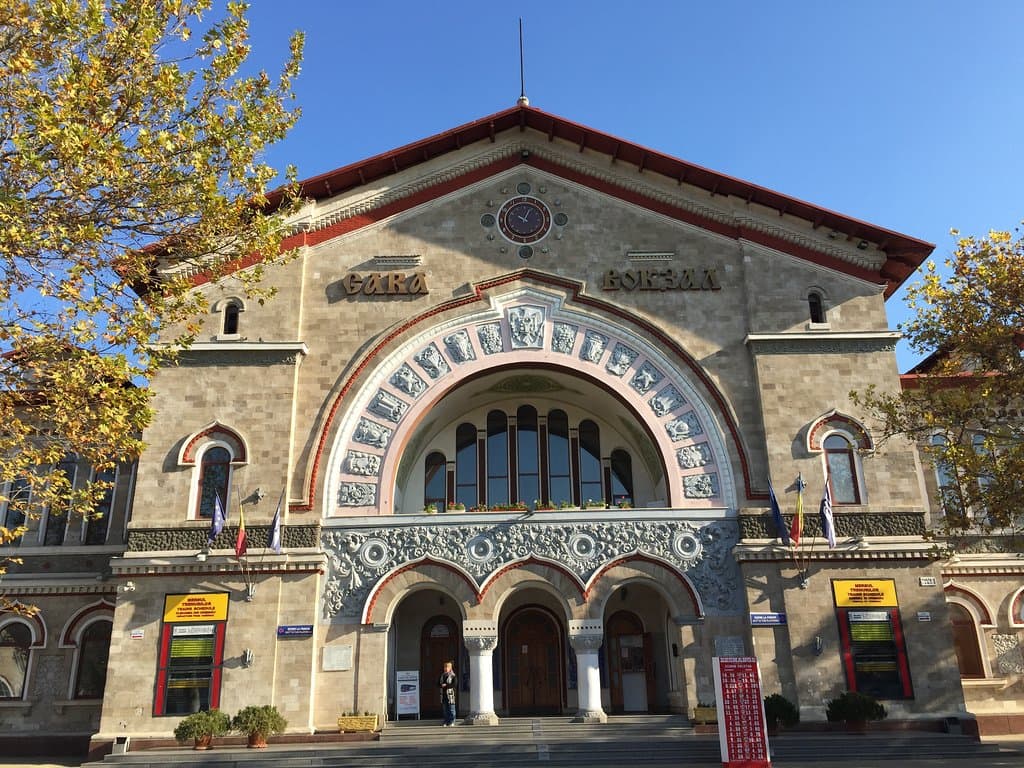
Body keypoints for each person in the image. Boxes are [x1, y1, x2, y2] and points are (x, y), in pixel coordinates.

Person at [438, 660, 457, 727]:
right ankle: (446, 721)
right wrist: (441, 685)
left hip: (451, 695)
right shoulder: (442, 676)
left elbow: (454, 684)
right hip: (443, 695)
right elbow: (438, 684)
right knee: (445, 710)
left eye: (447, 667)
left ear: (450, 668)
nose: (446, 668)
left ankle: (452, 721)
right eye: (445, 667)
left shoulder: (453, 676)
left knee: (451, 709)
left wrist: (446, 685)